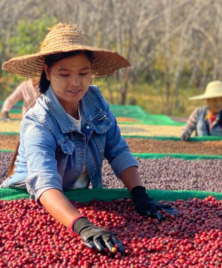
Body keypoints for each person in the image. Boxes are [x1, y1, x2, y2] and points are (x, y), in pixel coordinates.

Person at [1, 23, 178, 253]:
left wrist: (140, 195)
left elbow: (118, 150)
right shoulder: (38, 122)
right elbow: (45, 185)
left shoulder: (95, 100)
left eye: (83, 73)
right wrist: (83, 226)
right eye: (64, 74)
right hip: (39, 202)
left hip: (81, 199)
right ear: (47, 72)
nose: (76, 83)